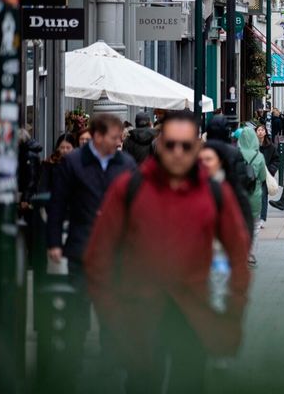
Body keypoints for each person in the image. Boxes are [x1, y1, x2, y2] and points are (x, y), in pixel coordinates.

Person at [84, 110, 251, 393]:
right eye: (171, 144)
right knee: (142, 383)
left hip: (194, 316)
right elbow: (98, 255)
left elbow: (237, 252)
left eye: (185, 145)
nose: (177, 152)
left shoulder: (214, 192)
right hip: (140, 316)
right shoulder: (130, 187)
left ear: (197, 147)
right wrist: (112, 315)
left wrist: (231, 312)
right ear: (159, 144)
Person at [46, 114, 135, 376]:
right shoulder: (73, 163)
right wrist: (53, 242)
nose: (119, 140)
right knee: (77, 311)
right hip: (81, 248)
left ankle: (109, 365)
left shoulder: (126, 164)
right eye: (114, 136)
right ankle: (72, 365)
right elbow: (58, 204)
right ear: (97, 136)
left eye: (120, 136)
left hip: (115, 252)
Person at [237, 126, 268, 267]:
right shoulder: (259, 156)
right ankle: (250, 253)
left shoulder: (235, 154)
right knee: (254, 225)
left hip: (238, 193)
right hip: (254, 193)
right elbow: (262, 177)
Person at [255, 124, 278, 228]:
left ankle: (262, 218)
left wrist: (271, 170)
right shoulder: (252, 145)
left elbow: (276, 160)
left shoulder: (271, 146)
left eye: (262, 130)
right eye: (258, 130)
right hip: (253, 174)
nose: (260, 132)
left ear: (265, 132)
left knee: (263, 197)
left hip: (265, 174)